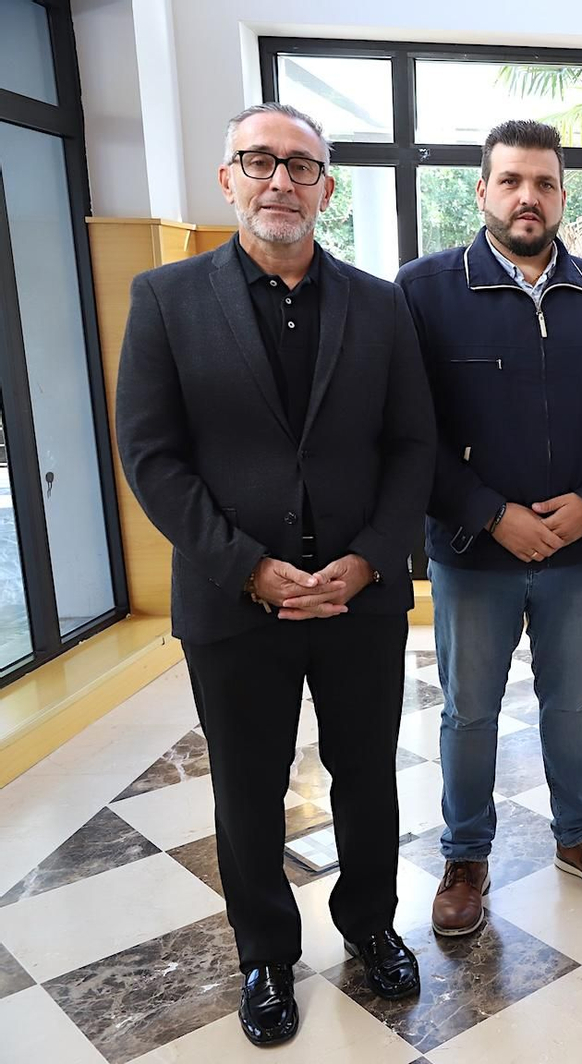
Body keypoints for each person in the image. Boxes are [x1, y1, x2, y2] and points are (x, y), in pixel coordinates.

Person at [116, 102, 434, 1046]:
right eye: (259, 161)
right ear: (228, 180)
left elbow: (411, 446)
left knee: (367, 775)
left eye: (302, 167)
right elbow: (152, 458)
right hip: (231, 599)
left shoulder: (381, 305)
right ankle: (264, 953)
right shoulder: (165, 299)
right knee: (246, 785)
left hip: (359, 598)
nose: (280, 180)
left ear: (327, 188)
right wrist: (249, 566)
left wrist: (371, 559)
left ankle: (371, 924)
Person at [396, 120, 582, 934]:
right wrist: (490, 514)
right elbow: (409, 433)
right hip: (475, 554)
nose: (526, 198)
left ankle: (580, 837)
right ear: (481, 191)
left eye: (542, 184)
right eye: (510, 181)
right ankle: (466, 855)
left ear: (562, 196)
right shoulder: (423, 291)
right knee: (469, 712)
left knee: (571, 704)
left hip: (580, 552)